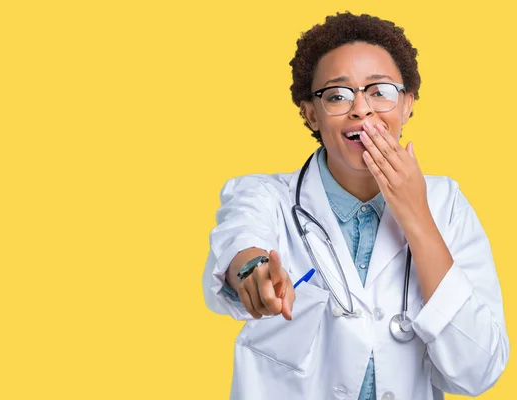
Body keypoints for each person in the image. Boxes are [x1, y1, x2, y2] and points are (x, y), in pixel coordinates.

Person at [201, 12, 509, 400]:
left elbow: (478, 371)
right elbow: (241, 241)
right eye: (337, 95)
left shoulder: (448, 205)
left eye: (379, 91)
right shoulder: (265, 195)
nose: (361, 109)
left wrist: (416, 215)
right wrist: (253, 272)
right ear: (310, 113)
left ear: (407, 104)